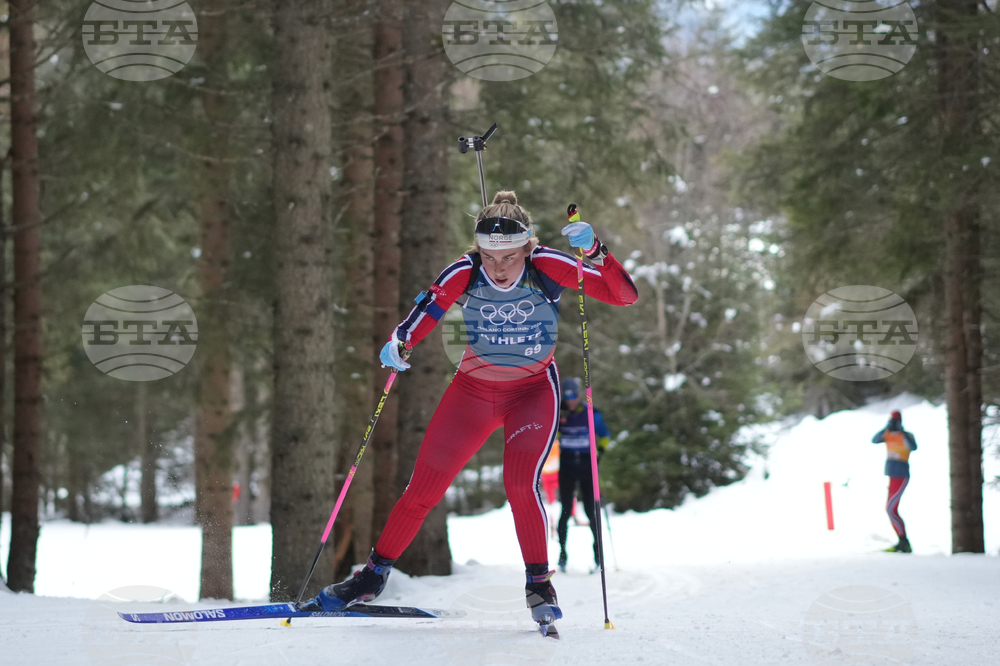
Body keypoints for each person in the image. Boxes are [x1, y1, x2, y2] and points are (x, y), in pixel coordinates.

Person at [301, 191, 638, 626]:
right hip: (473, 392)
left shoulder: (546, 265)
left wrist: (595, 251)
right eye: (489, 255)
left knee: (520, 485)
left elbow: (623, 295)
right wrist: (401, 341)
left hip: (532, 393)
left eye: (509, 256)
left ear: (528, 246)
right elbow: (430, 307)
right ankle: (371, 577)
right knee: (422, 489)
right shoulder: (467, 269)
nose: (498, 267)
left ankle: (539, 584)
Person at [555, 377, 610, 572]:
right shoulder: (558, 414)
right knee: (565, 510)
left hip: (588, 466)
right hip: (567, 466)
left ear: (579, 395)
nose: (570, 400)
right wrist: (559, 425)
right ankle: (562, 555)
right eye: (567, 396)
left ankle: (598, 556)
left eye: (574, 396)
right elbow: (552, 435)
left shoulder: (591, 414)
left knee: (590, 511)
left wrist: (600, 452)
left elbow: (605, 435)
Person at [872, 410, 917, 553]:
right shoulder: (888, 434)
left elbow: (914, 446)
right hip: (891, 475)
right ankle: (902, 541)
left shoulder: (906, 436)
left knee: (890, 509)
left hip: (901, 475)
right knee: (891, 509)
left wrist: (901, 432)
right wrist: (887, 428)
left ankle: (904, 541)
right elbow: (874, 439)